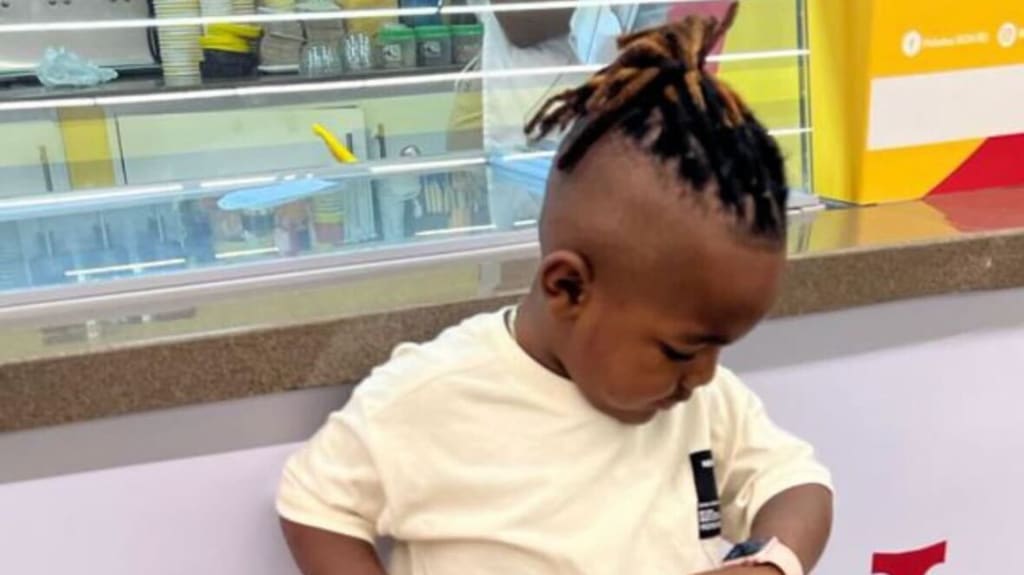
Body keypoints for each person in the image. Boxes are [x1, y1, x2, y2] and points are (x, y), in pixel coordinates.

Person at [277, 11, 833, 575]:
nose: (704, 375)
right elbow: (315, 506)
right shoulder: (432, 394)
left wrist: (769, 564)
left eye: (718, 348)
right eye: (681, 349)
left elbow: (797, 485)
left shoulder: (702, 401)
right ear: (568, 289)